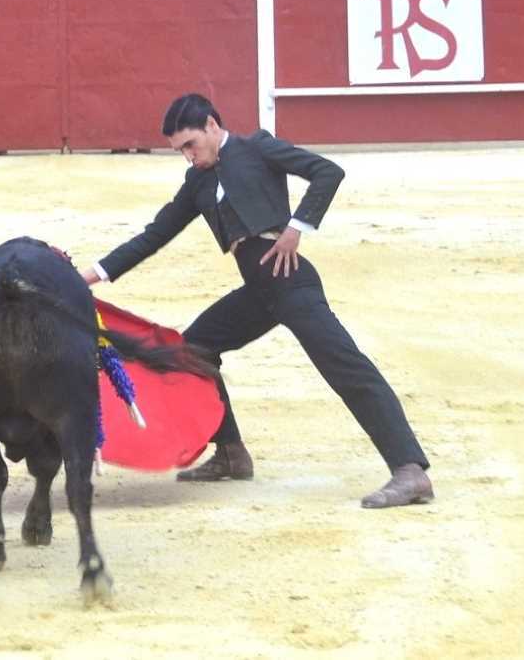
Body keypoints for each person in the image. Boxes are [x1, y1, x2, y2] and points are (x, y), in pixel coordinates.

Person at [79, 93, 433, 508]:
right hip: (260, 292)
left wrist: (296, 228)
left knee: (345, 366)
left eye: (191, 145)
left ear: (212, 126)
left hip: (292, 283)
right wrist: (88, 276)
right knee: (195, 349)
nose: (188, 157)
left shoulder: (257, 147)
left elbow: (327, 172)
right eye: (180, 151)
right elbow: (154, 236)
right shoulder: (198, 182)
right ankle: (230, 453)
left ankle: (410, 471)